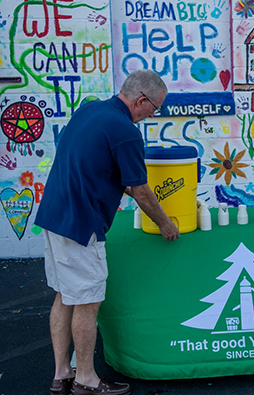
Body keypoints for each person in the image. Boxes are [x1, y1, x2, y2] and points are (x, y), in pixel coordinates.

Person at [34, 70, 180, 395]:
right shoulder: (125, 130)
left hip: (53, 215)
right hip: (81, 225)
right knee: (87, 302)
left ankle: (62, 374)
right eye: (154, 109)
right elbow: (140, 189)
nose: (152, 116)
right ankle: (86, 379)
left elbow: (96, 168)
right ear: (141, 100)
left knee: (65, 296)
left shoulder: (89, 110)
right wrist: (165, 223)